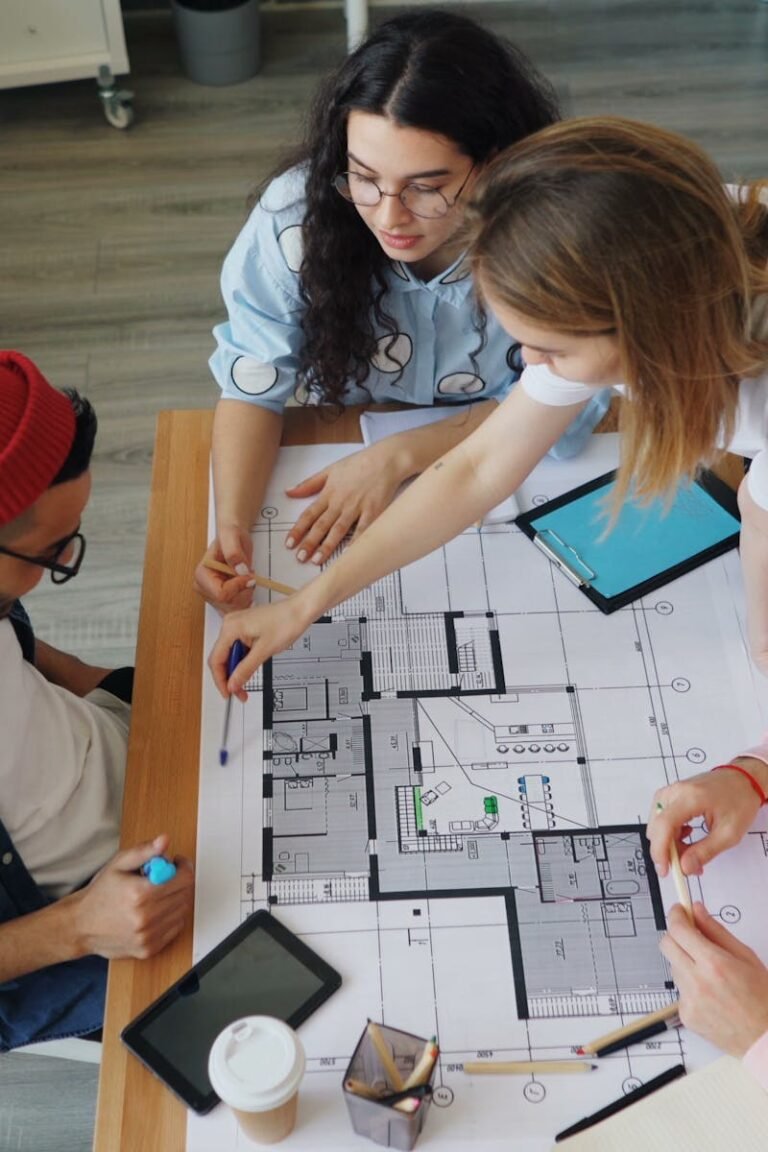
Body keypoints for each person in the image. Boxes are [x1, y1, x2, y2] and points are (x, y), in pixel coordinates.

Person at [206, 117, 768, 1073]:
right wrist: (307, 601)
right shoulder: (675, 243)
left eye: (547, 352)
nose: (535, 378)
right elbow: (476, 472)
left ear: (644, 326)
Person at [195, 9, 609, 611]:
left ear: (493, 162)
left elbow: (578, 397)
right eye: (363, 178)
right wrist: (230, 525)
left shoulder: (552, 234)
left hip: (510, 448)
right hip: (365, 436)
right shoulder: (296, 220)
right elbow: (252, 379)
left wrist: (402, 453)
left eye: (425, 186)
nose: (389, 217)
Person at [0, 351, 194, 1050]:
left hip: (132, 764)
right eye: (52, 554)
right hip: (93, 908)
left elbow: (28, 659)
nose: (64, 564)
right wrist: (85, 924)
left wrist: (144, 689)